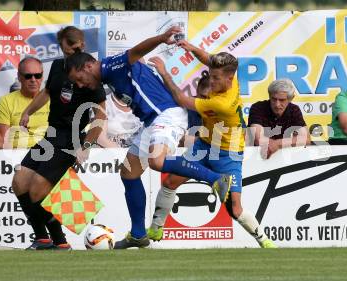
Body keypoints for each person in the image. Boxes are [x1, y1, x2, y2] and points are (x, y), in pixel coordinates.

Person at [65, 27, 233, 249]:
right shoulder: (107, 76)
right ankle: (138, 234)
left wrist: (162, 39)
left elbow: (135, 51)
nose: (80, 84)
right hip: (151, 122)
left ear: (88, 66)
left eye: (80, 79)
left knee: (156, 161)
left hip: (167, 114)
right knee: (128, 172)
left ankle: (215, 178)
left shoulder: (109, 65)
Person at [146, 41, 277, 248]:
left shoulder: (220, 104)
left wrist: (164, 72)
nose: (212, 80)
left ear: (229, 78)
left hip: (229, 154)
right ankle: (156, 226)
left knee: (235, 209)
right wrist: (192, 48)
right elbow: (210, 61)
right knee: (170, 182)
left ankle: (264, 240)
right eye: (211, 75)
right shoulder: (230, 80)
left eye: (216, 78)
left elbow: (180, 98)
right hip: (204, 145)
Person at [12, 26, 107, 250]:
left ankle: (60, 242)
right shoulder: (57, 66)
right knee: (19, 182)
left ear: (83, 45)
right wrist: (28, 111)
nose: (73, 52)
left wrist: (86, 146)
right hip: (51, 135)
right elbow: (47, 93)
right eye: (68, 48)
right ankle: (43, 238)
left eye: (77, 47)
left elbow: (101, 117)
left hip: (71, 139)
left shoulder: (91, 74)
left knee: (37, 189)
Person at [247, 79, 311, 159]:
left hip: (283, 159)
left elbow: (306, 139)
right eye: (274, 99)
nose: (277, 104)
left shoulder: (294, 110)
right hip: (256, 158)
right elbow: (258, 139)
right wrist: (288, 142)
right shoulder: (258, 108)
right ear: (269, 96)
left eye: (282, 100)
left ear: (290, 99)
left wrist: (277, 143)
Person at [0, 57, 50, 148]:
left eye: (37, 76)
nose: (33, 80)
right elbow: (3, 140)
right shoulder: (5, 101)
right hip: (16, 157)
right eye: (28, 76)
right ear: (19, 77)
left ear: (42, 77)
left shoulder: (53, 99)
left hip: (48, 154)